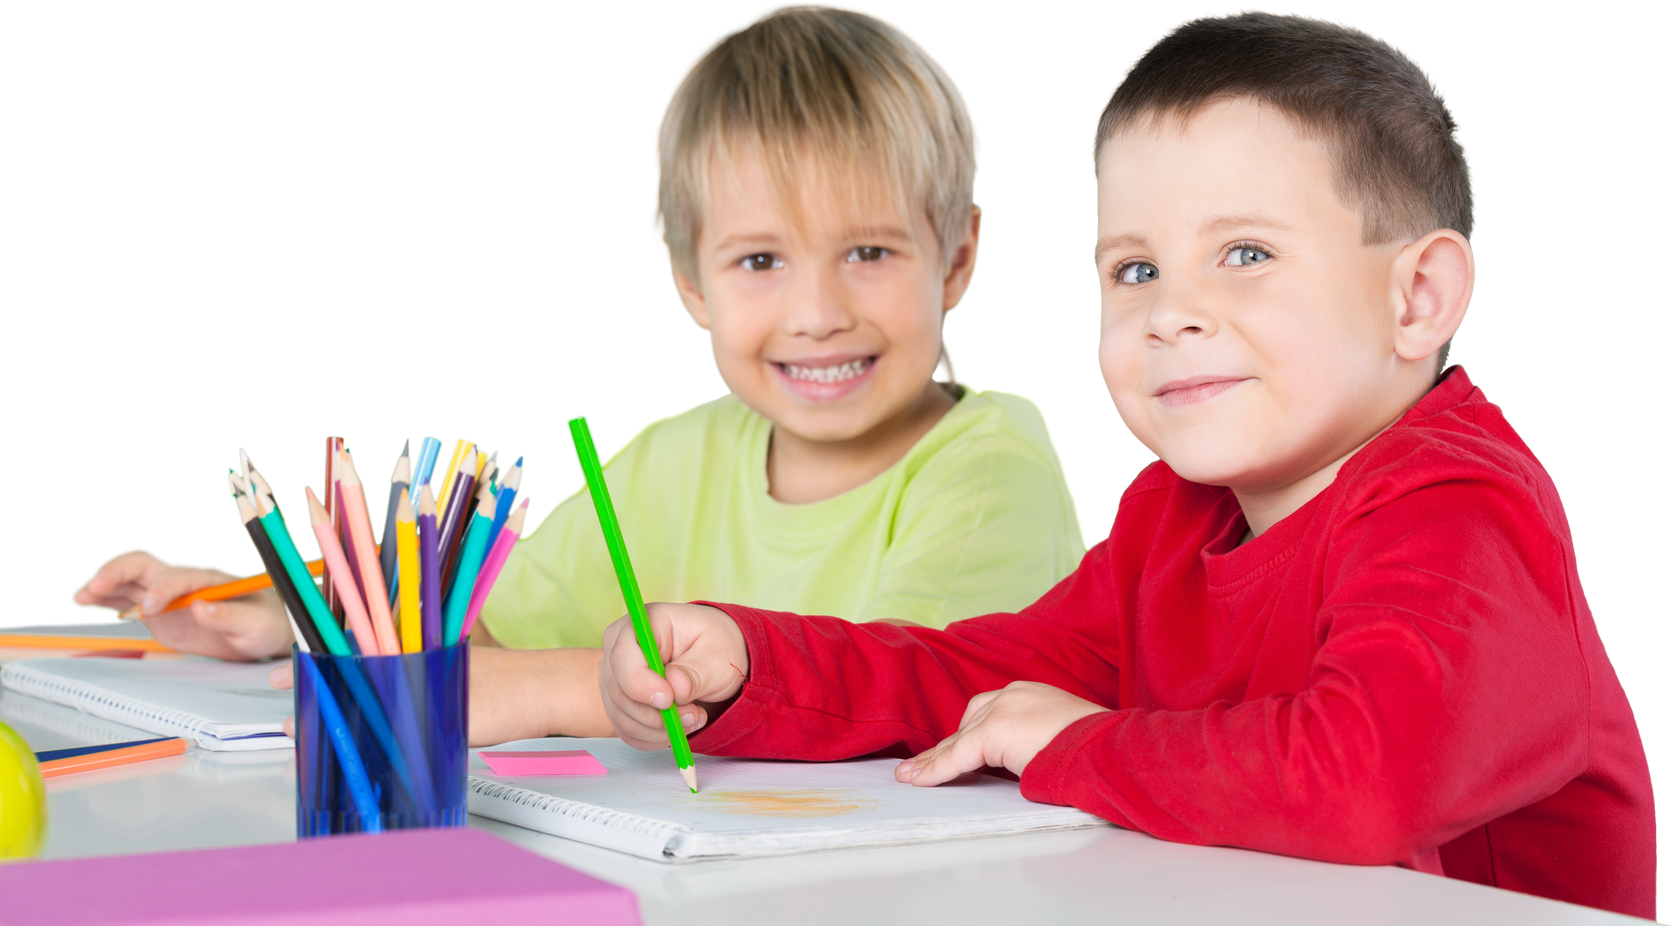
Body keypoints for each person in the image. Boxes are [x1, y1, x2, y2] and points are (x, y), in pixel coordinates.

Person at [594, 9, 1657, 918]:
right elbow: (987, 678)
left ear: (1415, 298)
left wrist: (1080, 744)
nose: (1169, 315)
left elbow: (1363, 779)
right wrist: (751, 664)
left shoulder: (1459, 507)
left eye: (1244, 254)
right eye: (1133, 268)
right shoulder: (1174, 513)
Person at [67, 1, 1087, 747]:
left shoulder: (988, 458)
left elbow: (891, 699)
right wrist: (301, 614)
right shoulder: (677, 453)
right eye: (759, 261)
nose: (817, 313)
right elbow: (468, 622)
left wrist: (566, 695)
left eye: (868, 252)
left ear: (957, 257)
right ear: (689, 282)